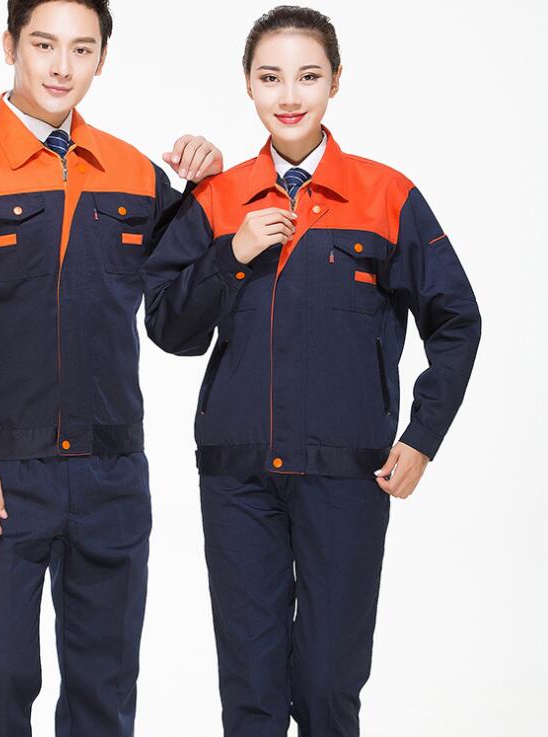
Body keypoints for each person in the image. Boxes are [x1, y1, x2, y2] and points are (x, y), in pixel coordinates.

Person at [140, 5, 482, 736]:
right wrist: (230, 254)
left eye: (307, 76)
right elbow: (168, 327)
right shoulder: (219, 198)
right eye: (270, 77)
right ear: (247, 84)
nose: (289, 95)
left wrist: (422, 437)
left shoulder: (386, 195)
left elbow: (456, 318)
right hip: (238, 480)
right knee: (251, 694)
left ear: (335, 82)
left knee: (328, 687)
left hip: (347, 478)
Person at [0, 1, 224, 735]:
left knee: (104, 687)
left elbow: (184, 307)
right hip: (3, 467)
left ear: (101, 58)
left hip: (112, 470)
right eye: (44, 45)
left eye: (81, 49)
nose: (60, 67)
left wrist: (206, 186)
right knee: (0, 678)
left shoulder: (134, 172)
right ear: (10, 45)